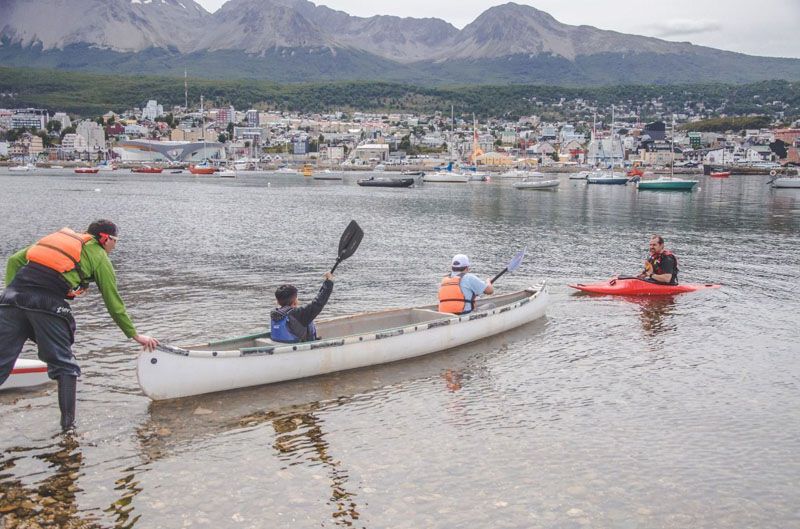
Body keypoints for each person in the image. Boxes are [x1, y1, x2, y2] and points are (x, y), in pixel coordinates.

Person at [0, 220, 159, 431]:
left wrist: (11, 294)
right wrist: (134, 334)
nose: (115, 246)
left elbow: (14, 260)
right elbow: (113, 301)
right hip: (47, 303)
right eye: (115, 241)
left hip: (10, 301)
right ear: (105, 238)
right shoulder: (100, 256)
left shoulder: (61, 241)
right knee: (66, 366)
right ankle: (69, 429)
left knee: (2, 362)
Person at [271, 272, 334, 343]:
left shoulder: (275, 314)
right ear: (295, 301)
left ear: (278, 302)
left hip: (283, 345)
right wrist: (329, 282)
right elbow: (319, 302)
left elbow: (317, 302)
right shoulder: (298, 314)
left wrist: (325, 284)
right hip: (299, 349)